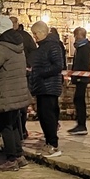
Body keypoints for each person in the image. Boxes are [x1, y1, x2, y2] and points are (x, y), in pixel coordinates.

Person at [0, 28, 32, 171]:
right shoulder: (19, 47)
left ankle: (11, 159)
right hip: (18, 91)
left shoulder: (1, 48)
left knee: (5, 125)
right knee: (14, 125)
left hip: (5, 92)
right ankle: (19, 155)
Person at [29, 20, 65, 158]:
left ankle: (53, 145)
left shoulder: (53, 47)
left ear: (43, 32)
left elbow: (58, 66)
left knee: (49, 116)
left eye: (36, 34)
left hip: (49, 87)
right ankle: (48, 142)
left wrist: (40, 72)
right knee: (43, 117)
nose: (35, 37)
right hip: (41, 87)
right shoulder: (42, 47)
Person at [10, 17, 37, 139]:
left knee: (22, 104)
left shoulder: (25, 36)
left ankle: (21, 128)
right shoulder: (10, 36)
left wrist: (28, 65)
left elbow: (33, 51)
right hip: (16, 73)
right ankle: (19, 129)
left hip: (24, 73)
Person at [68, 27, 90, 136]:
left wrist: (77, 76)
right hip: (79, 77)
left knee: (79, 100)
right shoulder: (80, 47)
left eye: (75, 35)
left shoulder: (83, 48)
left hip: (81, 78)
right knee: (78, 99)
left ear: (79, 35)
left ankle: (82, 125)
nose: (74, 38)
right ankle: (80, 124)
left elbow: (82, 64)